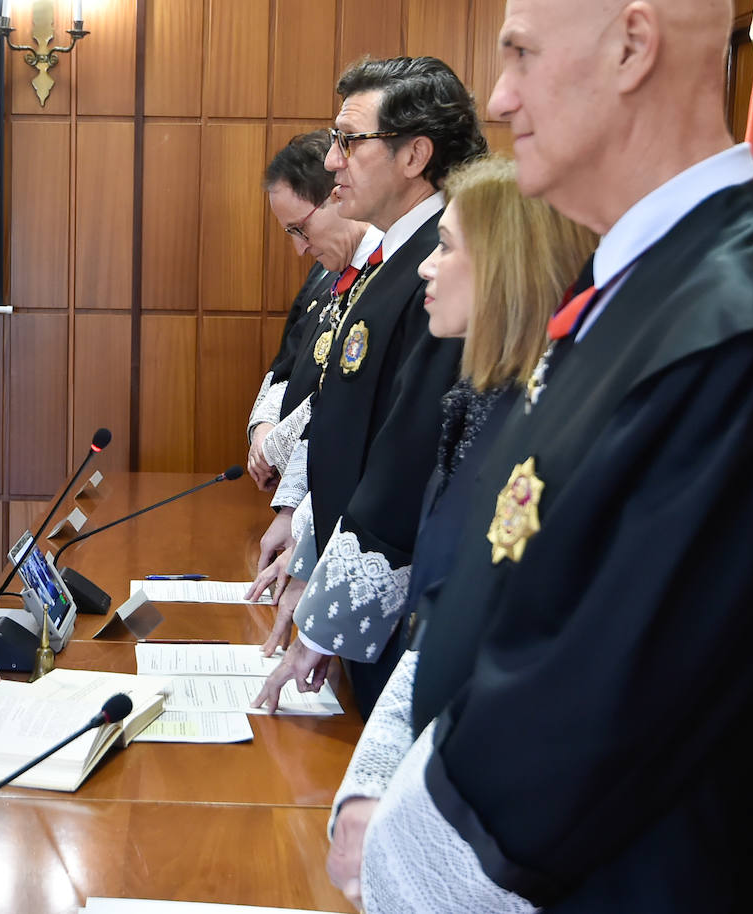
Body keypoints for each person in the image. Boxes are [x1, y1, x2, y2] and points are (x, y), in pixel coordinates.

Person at [327, 0, 753, 910]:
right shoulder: (640, 284)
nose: (499, 96)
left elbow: (602, 706)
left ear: (632, 48)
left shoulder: (736, 322)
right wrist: (381, 778)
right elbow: (495, 564)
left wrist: (400, 859)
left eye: (521, 54)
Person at [289, 155, 593, 904]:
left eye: (448, 247)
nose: (427, 268)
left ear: (507, 268)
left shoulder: (539, 421)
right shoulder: (479, 399)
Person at [250, 56, 485, 717]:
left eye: (350, 141)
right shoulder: (390, 261)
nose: (331, 162)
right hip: (351, 582)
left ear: (414, 154)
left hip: (394, 604)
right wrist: (307, 557)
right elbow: (344, 425)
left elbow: (406, 453)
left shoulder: (439, 271)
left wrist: (329, 614)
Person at [246, 130, 379, 491]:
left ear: (340, 196)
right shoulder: (324, 274)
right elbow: (288, 362)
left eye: (300, 229)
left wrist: (277, 448)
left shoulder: (387, 274)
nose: (299, 249)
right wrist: (263, 431)